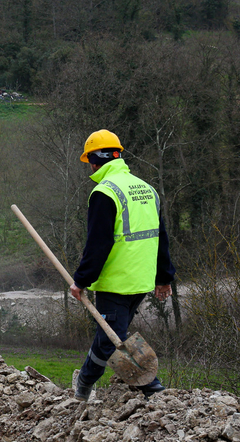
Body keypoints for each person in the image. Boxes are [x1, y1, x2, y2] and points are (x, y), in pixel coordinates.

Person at [70, 129, 174, 401]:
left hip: (117, 283)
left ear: (94, 161)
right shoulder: (146, 188)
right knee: (115, 334)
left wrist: (80, 280)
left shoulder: (104, 192)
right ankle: (144, 387)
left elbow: (98, 244)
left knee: (109, 340)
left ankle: (86, 384)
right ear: (118, 155)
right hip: (140, 281)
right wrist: (164, 277)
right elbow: (161, 237)